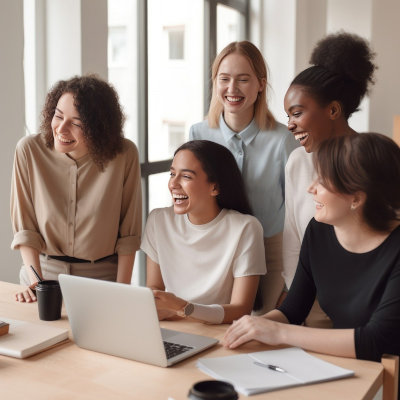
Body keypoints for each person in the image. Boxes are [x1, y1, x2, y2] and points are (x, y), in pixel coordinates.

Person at [223, 133, 400, 394]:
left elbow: (375, 341)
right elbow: (293, 310)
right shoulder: (319, 231)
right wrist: (250, 329)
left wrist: (278, 333)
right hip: (347, 371)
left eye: (323, 181)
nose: (310, 188)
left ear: (356, 198)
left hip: (387, 379)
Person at [11, 74, 142, 303]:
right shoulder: (29, 150)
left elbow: (128, 235)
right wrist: (36, 284)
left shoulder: (124, 154)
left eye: (76, 123)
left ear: (98, 128)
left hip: (102, 281)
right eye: (58, 116)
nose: (61, 128)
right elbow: (26, 229)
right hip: (41, 278)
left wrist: (122, 294)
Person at [190, 41, 298, 314]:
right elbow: (191, 199)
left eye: (243, 80)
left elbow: (298, 212)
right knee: (214, 328)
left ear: (261, 84)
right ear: (215, 82)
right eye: (224, 79)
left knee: (260, 332)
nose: (232, 89)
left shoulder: (284, 140)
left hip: (270, 255)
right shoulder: (198, 134)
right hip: (215, 251)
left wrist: (293, 280)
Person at [282, 31, 376, 327]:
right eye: (287, 115)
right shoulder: (297, 162)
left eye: (297, 113)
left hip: (368, 316)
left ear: (333, 110)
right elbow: (293, 241)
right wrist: (297, 308)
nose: (289, 125)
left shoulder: (374, 161)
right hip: (309, 313)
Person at [140, 140, 266, 324]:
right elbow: (154, 290)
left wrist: (181, 309)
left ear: (214, 187)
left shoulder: (245, 228)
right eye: (172, 173)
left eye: (186, 176)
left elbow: (241, 310)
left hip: (220, 332)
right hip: (172, 327)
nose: (173, 184)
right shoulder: (158, 221)